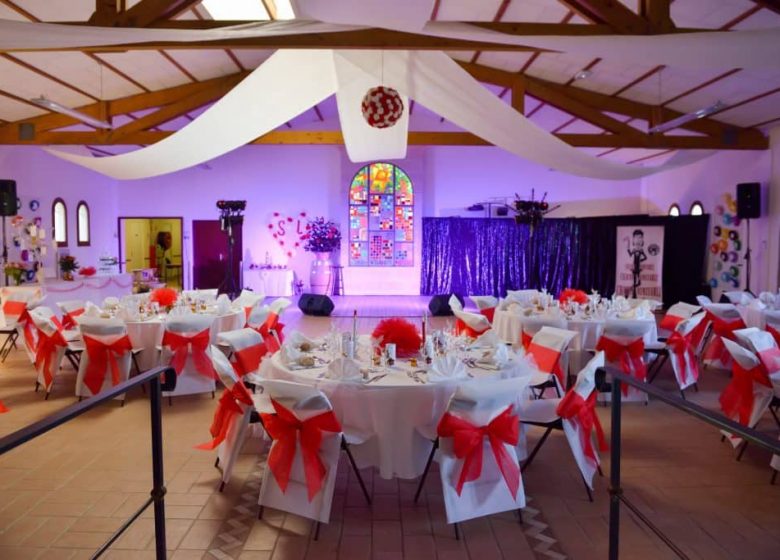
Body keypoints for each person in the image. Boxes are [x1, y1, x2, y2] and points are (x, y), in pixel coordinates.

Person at [625, 229, 647, 298]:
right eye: (636, 237)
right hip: (635, 268)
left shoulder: (641, 250)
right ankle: (633, 294)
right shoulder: (634, 250)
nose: (638, 240)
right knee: (635, 282)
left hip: (638, 268)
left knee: (638, 283)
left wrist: (641, 260)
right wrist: (628, 244)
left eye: (640, 237)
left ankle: (629, 291)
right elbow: (630, 254)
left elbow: (645, 257)